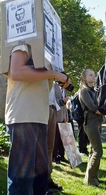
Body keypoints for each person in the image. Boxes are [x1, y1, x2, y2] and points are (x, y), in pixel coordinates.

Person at [5, 44, 70, 195]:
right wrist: (53, 74)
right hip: (24, 116)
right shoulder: (24, 41)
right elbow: (17, 71)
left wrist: (56, 75)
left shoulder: (45, 50)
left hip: (40, 117)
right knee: (22, 183)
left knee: (39, 180)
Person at [79, 69, 103, 187]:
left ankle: (90, 178)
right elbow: (93, 107)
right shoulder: (84, 91)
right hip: (90, 123)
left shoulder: (94, 91)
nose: (94, 76)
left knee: (93, 151)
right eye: (90, 75)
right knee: (98, 151)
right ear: (84, 77)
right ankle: (92, 180)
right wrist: (100, 109)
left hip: (97, 122)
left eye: (94, 74)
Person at [46, 82, 62, 195]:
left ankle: (47, 179)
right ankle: (40, 182)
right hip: (42, 107)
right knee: (41, 147)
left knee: (50, 147)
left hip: (52, 108)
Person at [53, 82, 69, 164]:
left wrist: (66, 115)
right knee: (55, 139)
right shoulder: (53, 86)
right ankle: (54, 157)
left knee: (62, 138)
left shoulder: (64, 90)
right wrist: (62, 101)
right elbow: (51, 101)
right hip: (55, 117)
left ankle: (62, 156)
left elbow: (65, 105)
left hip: (63, 117)